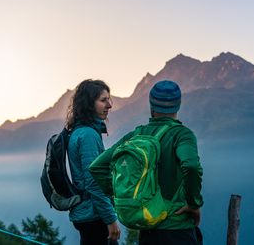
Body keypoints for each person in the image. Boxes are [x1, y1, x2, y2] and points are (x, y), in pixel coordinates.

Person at [90, 80, 204, 245]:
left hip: (147, 231)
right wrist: (194, 204)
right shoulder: (182, 135)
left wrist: (124, 195)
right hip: (177, 229)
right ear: (178, 106)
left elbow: (97, 166)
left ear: (152, 106)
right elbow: (191, 166)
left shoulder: (137, 134)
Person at [66, 79, 120, 244]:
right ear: (89, 104)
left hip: (87, 214)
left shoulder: (79, 131)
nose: (109, 105)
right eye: (103, 100)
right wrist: (110, 219)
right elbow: (93, 182)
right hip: (94, 216)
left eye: (109, 100)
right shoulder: (88, 135)